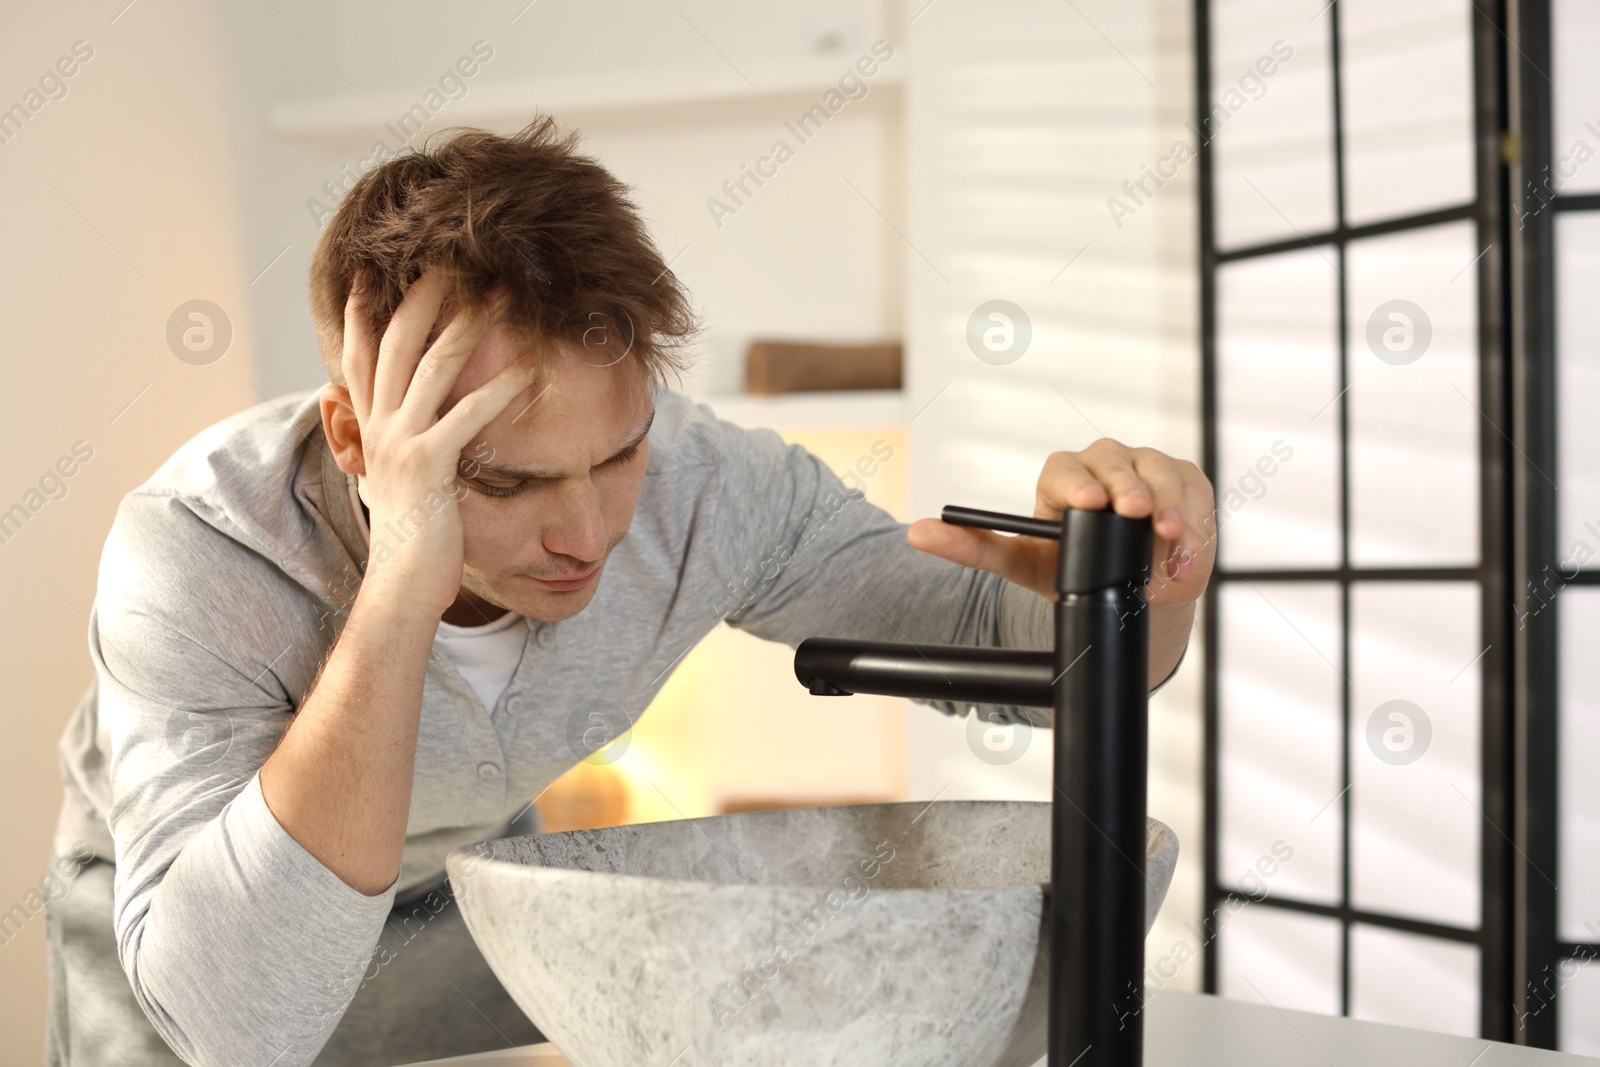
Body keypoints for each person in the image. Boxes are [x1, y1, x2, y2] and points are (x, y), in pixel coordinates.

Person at [44, 113, 1216, 1067]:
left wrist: (1140, 573)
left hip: (456, 925)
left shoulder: (704, 486)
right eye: (506, 480)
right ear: (356, 435)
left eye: (617, 454)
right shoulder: (196, 552)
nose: (591, 529)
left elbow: (1022, 659)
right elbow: (240, 1024)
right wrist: (407, 572)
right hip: (195, 968)